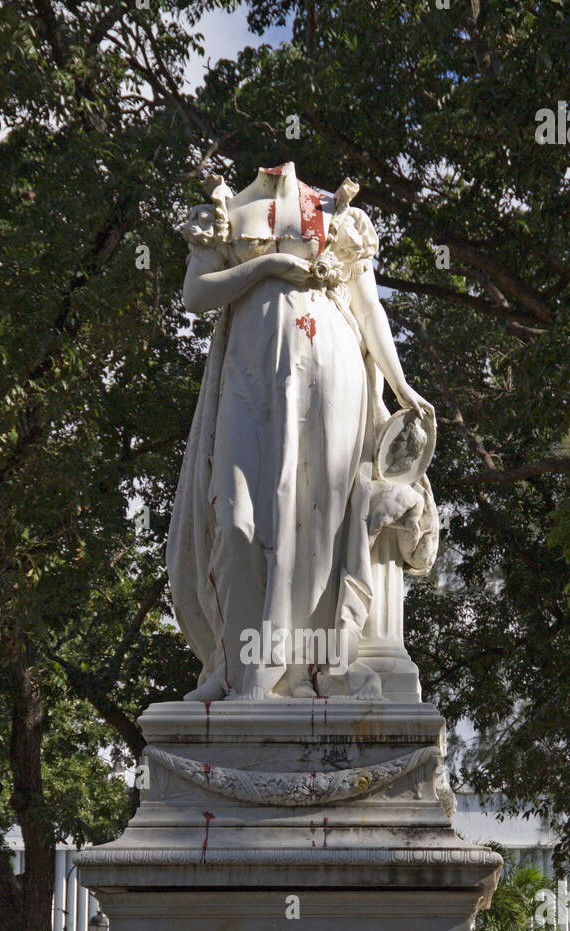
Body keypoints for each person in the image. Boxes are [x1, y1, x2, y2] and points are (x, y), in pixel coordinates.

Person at [168, 161, 437, 701]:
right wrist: (264, 270)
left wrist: (400, 384)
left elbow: (367, 307)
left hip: (329, 381)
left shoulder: (337, 214)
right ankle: (240, 670)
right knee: (236, 518)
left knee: (315, 522)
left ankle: (304, 668)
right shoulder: (225, 211)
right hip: (248, 383)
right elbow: (195, 296)